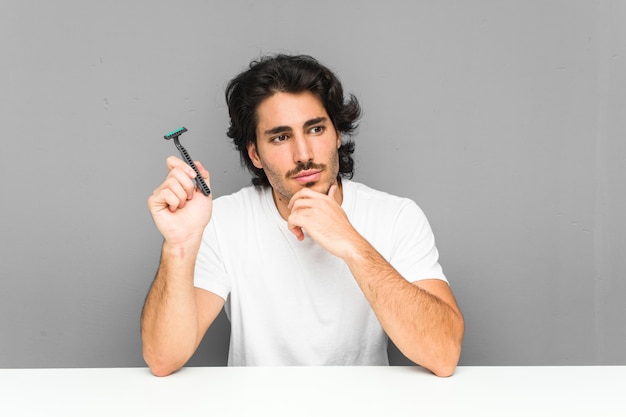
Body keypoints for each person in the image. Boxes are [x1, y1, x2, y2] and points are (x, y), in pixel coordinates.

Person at [142, 54, 464, 377]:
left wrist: (352, 244)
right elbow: (163, 358)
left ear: (338, 134)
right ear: (255, 153)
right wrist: (178, 246)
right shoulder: (223, 221)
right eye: (281, 137)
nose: (304, 154)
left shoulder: (397, 217)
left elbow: (444, 353)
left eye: (315, 129)